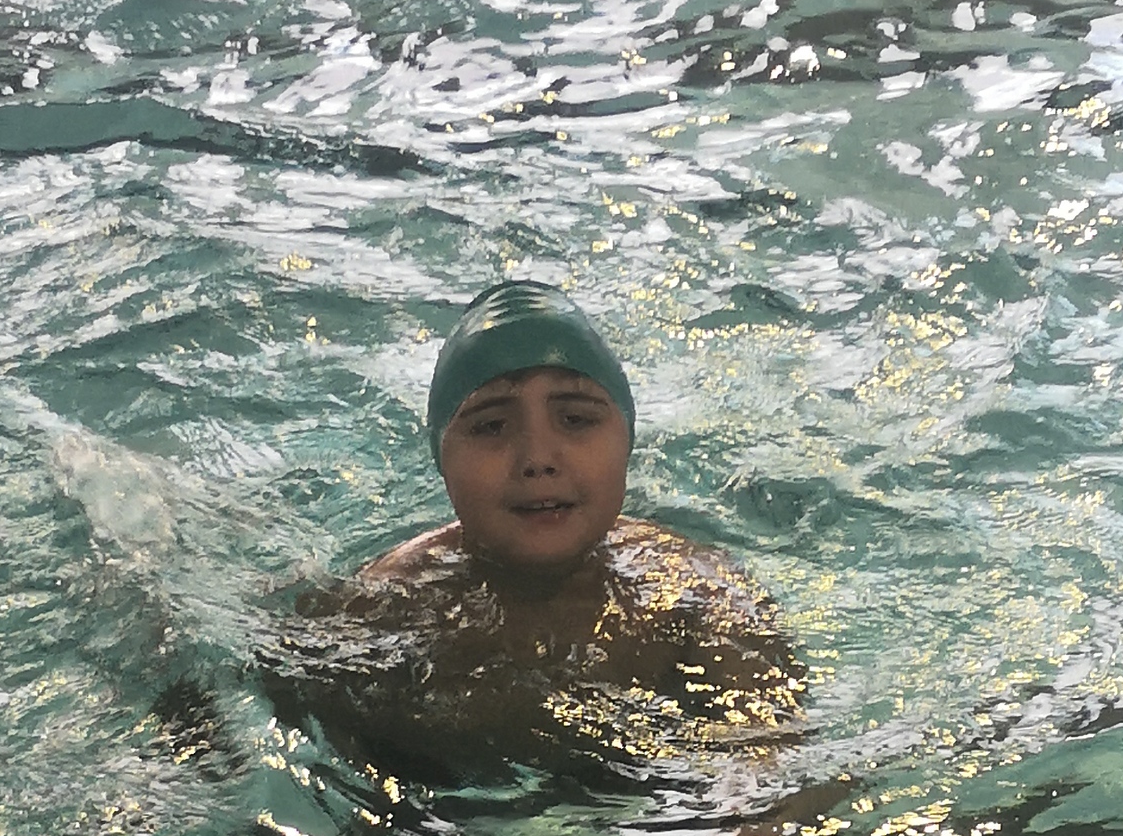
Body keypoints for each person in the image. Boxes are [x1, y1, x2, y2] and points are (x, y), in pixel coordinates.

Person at [262, 282, 804, 781]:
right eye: (491, 426)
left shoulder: (699, 596)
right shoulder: (378, 614)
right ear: (442, 461)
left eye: (576, 419)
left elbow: (775, 771)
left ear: (627, 441)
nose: (537, 458)